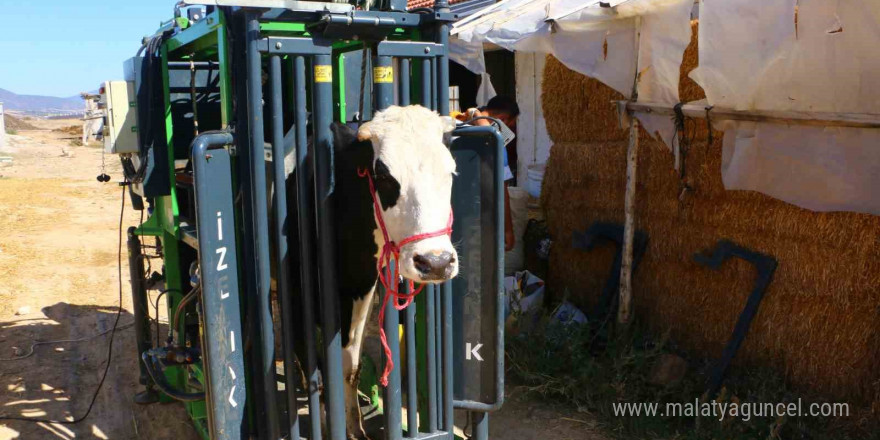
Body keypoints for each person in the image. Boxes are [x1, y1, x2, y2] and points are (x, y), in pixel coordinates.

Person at [455, 95, 520, 252]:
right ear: (503, 119)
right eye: (510, 124)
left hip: (448, 212)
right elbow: (501, 189)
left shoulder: (457, 125)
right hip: (476, 215)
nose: (509, 129)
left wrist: (475, 113)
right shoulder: (494, 142)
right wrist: (508, 230)